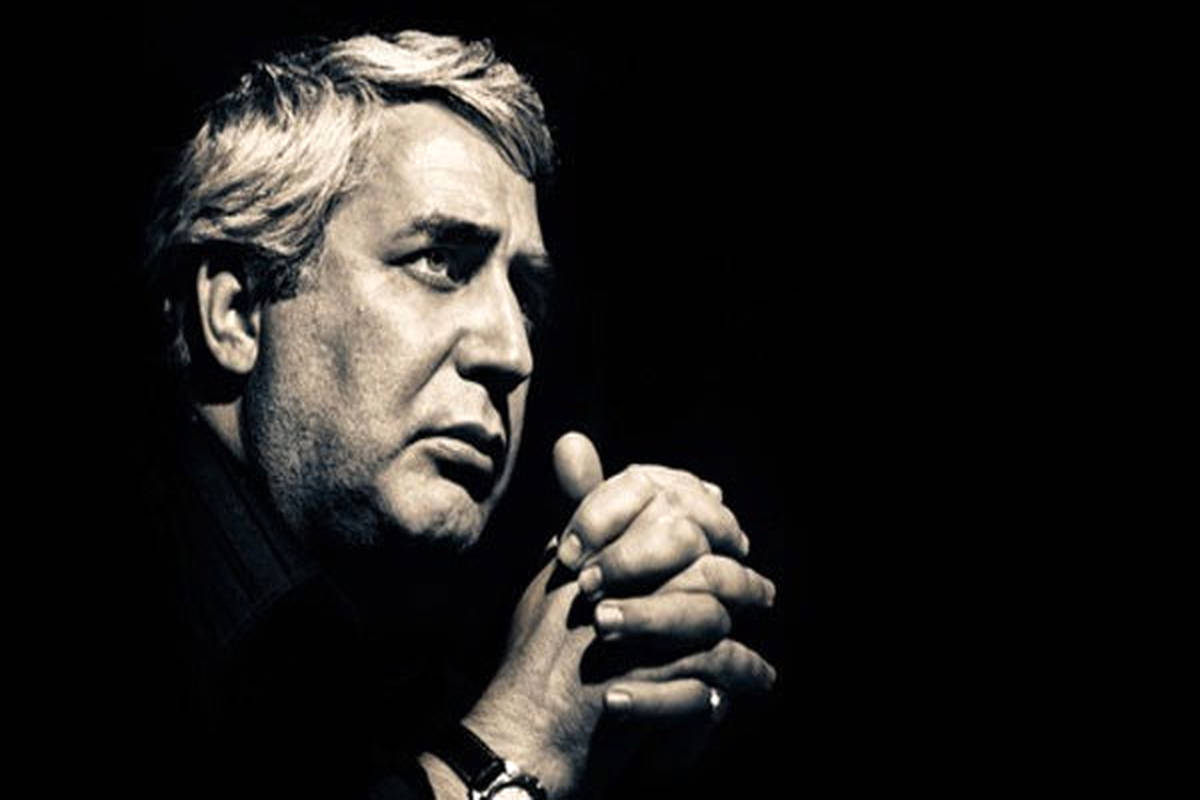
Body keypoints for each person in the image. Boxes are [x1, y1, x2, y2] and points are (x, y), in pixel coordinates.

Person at [135, 29, 777, 799]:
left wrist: (618, 723)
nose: (513, 352)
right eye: (441, 261)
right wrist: (519, 745)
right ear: (237, 314)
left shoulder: (389, 663)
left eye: (526, 297)